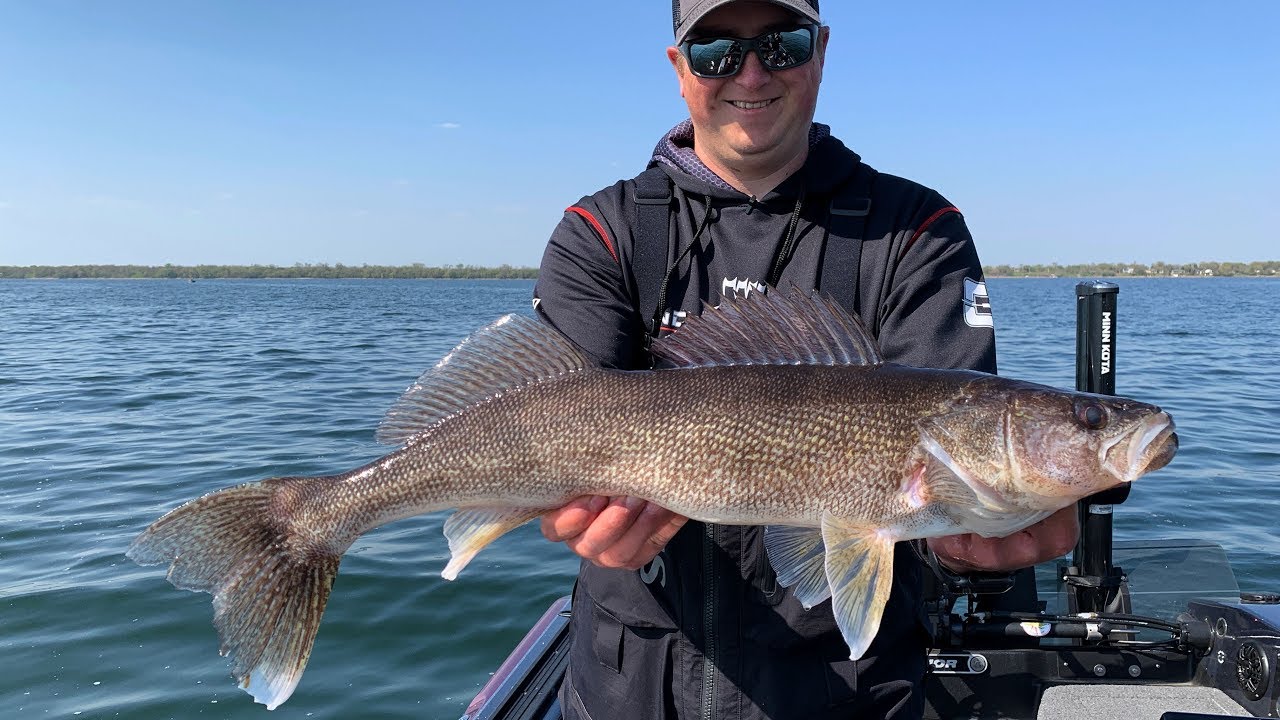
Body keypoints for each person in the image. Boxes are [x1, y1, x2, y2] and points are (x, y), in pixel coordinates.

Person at [532, 1, 1079, 718]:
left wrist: (963, 541)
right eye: (716, 51)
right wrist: (570, 517)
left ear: (820, 50)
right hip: (629, 686)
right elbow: (542, 416)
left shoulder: (918, 231)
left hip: (847, 692)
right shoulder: (601, 230)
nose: (751, 72)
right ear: (678, 68)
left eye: (780, 44)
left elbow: (938, 486)